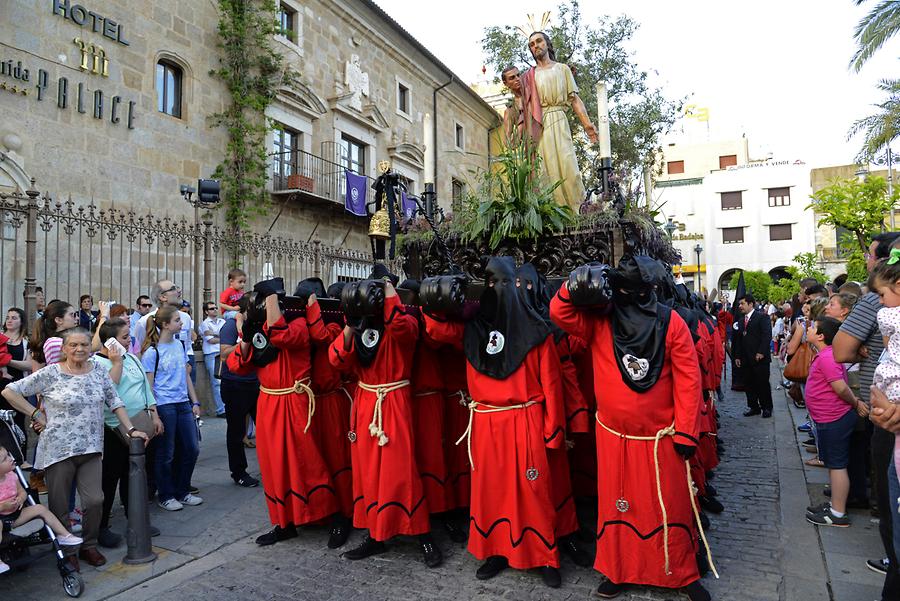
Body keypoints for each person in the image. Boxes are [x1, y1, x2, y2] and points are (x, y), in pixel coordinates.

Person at [550, 255, 709, 601]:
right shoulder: (599, 321)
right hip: (615, 438)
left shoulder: (673, 323)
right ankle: (618, 569)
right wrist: (577, 281)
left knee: (669, 504)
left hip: (661, 441)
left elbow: (688, 380)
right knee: (618, 506)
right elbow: (558, 313)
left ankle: (679, 571)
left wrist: (685, 431)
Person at [1, 327, 149, 568]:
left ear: (90, 348)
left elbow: (115, 401)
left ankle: (88, 546)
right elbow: (9, 391)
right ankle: (67, 547)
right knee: (60, 504)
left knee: (94, 500)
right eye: (73, 345)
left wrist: (131, 429)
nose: (79, 349)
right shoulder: (50, 373)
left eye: (84, 345)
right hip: (58, 449)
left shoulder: (99, 371)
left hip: (91, 447)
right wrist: (35, 413)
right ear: (64, 349)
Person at [329, 272, 442, 568]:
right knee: (368, 472)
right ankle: (376, 534)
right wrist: (351, 326)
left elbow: (403, 329)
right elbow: (337, 360)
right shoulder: (362, 326)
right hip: (367, 401)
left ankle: (422, 534)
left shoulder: (405, 320)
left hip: (393, 400)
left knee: (400, 469)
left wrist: (391, 292)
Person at [227, 277, 348, 549]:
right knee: (275, 466)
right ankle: (285, 522)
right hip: (269, 402)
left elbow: (283, 336)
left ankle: (335, 517)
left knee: (310, 462)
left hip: (295, 400)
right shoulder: (260, 327)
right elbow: (237, 366)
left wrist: (271, 299)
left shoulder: (298, 323)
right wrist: (246, 335)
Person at [833, 231, 900, 596]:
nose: (869, 263)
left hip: (888, 418)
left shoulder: (879, 300)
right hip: (884, 412)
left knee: (892, 513)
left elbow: (842, 349)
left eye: (872, 257)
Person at [92, 318, 163, 548]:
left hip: (140, 423)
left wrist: (154, 414)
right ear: (110, 340)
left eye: (129, 336)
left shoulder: (132, 357)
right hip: (114, 428)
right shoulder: (96, 364)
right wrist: (116, 362)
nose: (129, 340)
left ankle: (136, 519)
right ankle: (101, 527)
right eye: (124, 337)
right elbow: (108, 391)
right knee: (109, 479)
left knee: (134, 475)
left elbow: (145, 386)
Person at [519, 31, 598, 211]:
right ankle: (550, 212)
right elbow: (523, 108)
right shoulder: (528, 76)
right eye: (532, 44)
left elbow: (574, 99)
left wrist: (587, 125)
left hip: (559, 120)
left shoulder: (562, 69)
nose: (536, 45)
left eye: (539, 41)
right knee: (545, 169)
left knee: (568, 165)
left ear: (547, 43)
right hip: (539, 125)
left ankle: (577, 210)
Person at [804, 316, 869, 527]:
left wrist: (856, 402)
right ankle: (835, 504)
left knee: (838, 465)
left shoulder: (827, 357)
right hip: (827, 418)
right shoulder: (825, 354)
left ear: (821, 336)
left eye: (813, 327)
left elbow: (840, 387)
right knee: (834, 464)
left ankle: (838, 513)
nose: (809, 328)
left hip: (834, 418)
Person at [141, 305, 202, 512]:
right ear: (165, 325)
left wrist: (195, 401)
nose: (181, 323)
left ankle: (182, 490)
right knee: (166, 452)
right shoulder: (152, 352)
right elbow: (149, 386)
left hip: (183, 403)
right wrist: (154, 413)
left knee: (191, 448)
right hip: (164, 405)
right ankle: (166, 494)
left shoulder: (179, 345)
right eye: (177, 320)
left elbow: (185, 376)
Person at [0, 444, 83, 575]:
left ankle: (63, 535)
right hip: (1, 520)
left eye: (9, 455)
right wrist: (3, 506)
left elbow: (23, 492)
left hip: (16, 515)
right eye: (5, 459)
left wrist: (21, 499)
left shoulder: (12, 476)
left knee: (40, 508)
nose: (11, 459)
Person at [217, 295, 259, 489]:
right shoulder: (230, 327)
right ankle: (239, 472)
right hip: (235, 385)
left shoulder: (260, 324)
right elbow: (224, 353)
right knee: (236, 432)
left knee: (266, 429)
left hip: (257, 384)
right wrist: (247, 340)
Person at [733, 294, 774, 418]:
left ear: (751, 304)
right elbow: (739, 339)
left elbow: (766, 336)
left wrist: (761, 352)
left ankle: (766, 407)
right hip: (745, 358)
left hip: (759, 358)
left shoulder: (762, 317)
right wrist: (737, 356)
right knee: (748, 384)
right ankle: (753, 407)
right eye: (739, 304)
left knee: (762, 384)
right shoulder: (741, 320)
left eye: (742, 303)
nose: (740, 306)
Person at [0, 308, 28, 444]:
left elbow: (29, 365)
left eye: (14, 318)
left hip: (17, 386)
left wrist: (7, 361)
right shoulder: (0, 337)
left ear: (22, 322)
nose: (10, 320)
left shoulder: (26, 342)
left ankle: (20, 458)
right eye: (8, 317)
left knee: (17, 422)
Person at [200, 302, 226, 417]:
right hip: (211, 353)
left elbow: (229, 336)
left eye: (216, 308)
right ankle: (221, 409)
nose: (215, 310)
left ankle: (228, 407)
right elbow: (210, 340)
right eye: (211, 309)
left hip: (224, 352)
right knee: (216, 382)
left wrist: (215, 334)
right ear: (206, 311)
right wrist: (222, 336)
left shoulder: (223, 321)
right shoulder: (204, 324)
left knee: (227, 381)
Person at [501, 65, 523, 139]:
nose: (517, 79)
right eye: (512, 78)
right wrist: (520, 129)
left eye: (518, 75)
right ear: (505, 83)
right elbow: (507, 142)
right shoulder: (510, 110)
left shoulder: (533, 94)